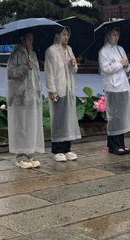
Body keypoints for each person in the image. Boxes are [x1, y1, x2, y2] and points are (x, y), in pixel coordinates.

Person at [6, 31, 44, 168]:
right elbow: (10, 73)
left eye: (32, 38)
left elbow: (36, 75)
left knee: (31, 125)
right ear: (22, 39)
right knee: (21, 126)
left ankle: (30, 152)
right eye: (29, 38)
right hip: (19, 96)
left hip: (32, 96)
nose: (31, 41)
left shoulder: (32, 54)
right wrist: (24, 68)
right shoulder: (15, 54)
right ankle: (20, 155)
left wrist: (39, 91)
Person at [99, 27, 130, 155]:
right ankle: (113, 144)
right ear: (108, 36)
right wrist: (120, 64)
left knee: (121, 116)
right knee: (114, 116)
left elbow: (126, 68)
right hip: (112, 87)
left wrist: (126, 65)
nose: (116, 38)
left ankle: (121, 142)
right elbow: (106, 69)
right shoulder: (103, 51)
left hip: (123, 85)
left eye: (117, 35)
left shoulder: (120, 49)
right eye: (114, 35)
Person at [44, 26, 81, 162]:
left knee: (68, 118)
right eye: (63, 34)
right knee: (58, 119)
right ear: (57, 35)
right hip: (58, 88)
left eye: (67, 34)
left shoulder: (69, 49)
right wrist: (51, 90)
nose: (66, 37)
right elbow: (49, 72)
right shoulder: (51, 51)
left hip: (69, 88)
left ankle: (67, 147)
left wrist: (73, 64)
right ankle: (58, 149)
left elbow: (74, 70)